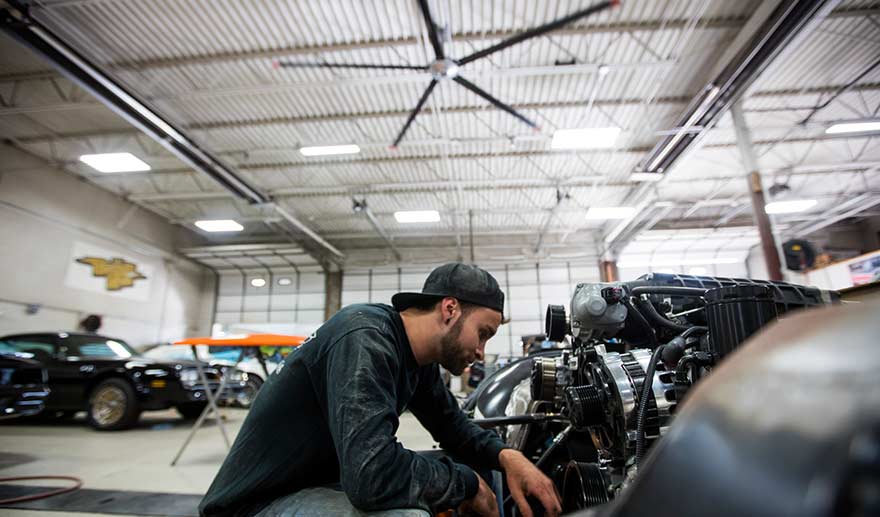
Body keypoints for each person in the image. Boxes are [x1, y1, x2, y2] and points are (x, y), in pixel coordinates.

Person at [200, 263, 561, 517]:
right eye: (483, 333)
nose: (481, 351)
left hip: (321, 481)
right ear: (450, 309)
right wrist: (466, 484)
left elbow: (454, 429)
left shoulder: (418, 362)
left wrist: (507, 458)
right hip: (258, 504)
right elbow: (371, 477)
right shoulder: (365, 337)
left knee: (471, 470)